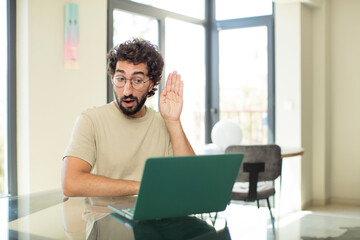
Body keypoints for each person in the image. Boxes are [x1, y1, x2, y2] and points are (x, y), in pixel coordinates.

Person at [62, 38, 195, 197]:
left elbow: (190, 180)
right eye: (120, 79)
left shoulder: (164, 123)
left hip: (155, 218)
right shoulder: (91, 119)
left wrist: (173, 121)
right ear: (112, 78)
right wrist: (144, 187)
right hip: (106, 218)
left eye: (137, 81)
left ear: (151, 84)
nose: (127, 91)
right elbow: (71, 183)